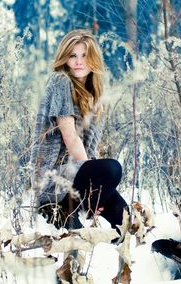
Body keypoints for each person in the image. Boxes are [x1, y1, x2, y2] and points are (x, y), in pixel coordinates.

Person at [30, 29, 127, 231]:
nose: (78, 61)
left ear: (94, 59)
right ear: (64, 58)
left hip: (77, 179)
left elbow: (90, 148)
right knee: (112, 169)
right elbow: (70, 136)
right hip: (56, 183)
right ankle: (65, 210)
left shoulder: (94, 93)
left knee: (126, 219)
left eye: (84, 55)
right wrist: (95, 192)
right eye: (73, 55)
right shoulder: (60, 81)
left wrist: (100, 191)